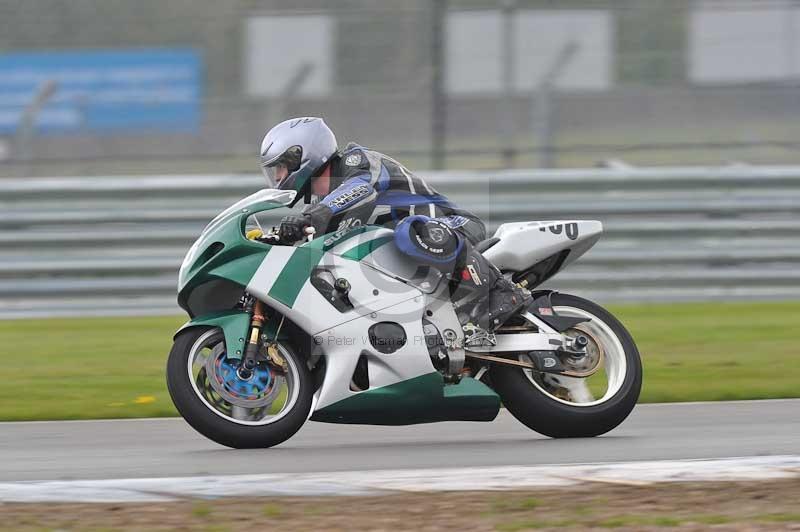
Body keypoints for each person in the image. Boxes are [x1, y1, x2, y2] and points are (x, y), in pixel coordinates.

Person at [260, 116, 531, 333]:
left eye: (281, 166)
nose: (278, 175)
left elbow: (359, 189)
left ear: (303, 155)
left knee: (408, 232)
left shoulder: (357, 162)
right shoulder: (321, 205)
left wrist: (309, 219)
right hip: (415, 260)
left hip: (452, 226)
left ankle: (501, 293)